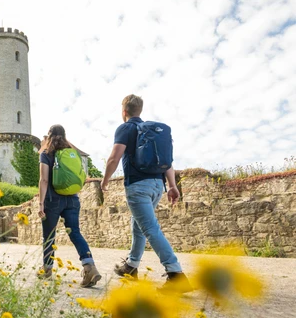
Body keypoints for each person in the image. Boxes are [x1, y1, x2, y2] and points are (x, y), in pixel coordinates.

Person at [101, 94, 192, 291]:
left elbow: (114, 157)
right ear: (139, 111)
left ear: (124, 112)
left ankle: (175, 273)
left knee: (150, 228)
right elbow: (166, 162)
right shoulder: (152, 132)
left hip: (138, 186)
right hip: (157, 186)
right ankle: (131, 266)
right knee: (138, 225)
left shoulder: (125, 128)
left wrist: (105, 181)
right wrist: (172, 186)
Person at [38, 125, 101, 287]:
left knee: (49, 236)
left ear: (49, 137)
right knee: (75, 233)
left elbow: (44, 180)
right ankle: (90, 267)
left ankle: (47, 270)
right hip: (72, 199)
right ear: (64, 136)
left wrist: (40, 204)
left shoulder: (47, 155)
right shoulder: (73, 154)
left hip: (52, 200)